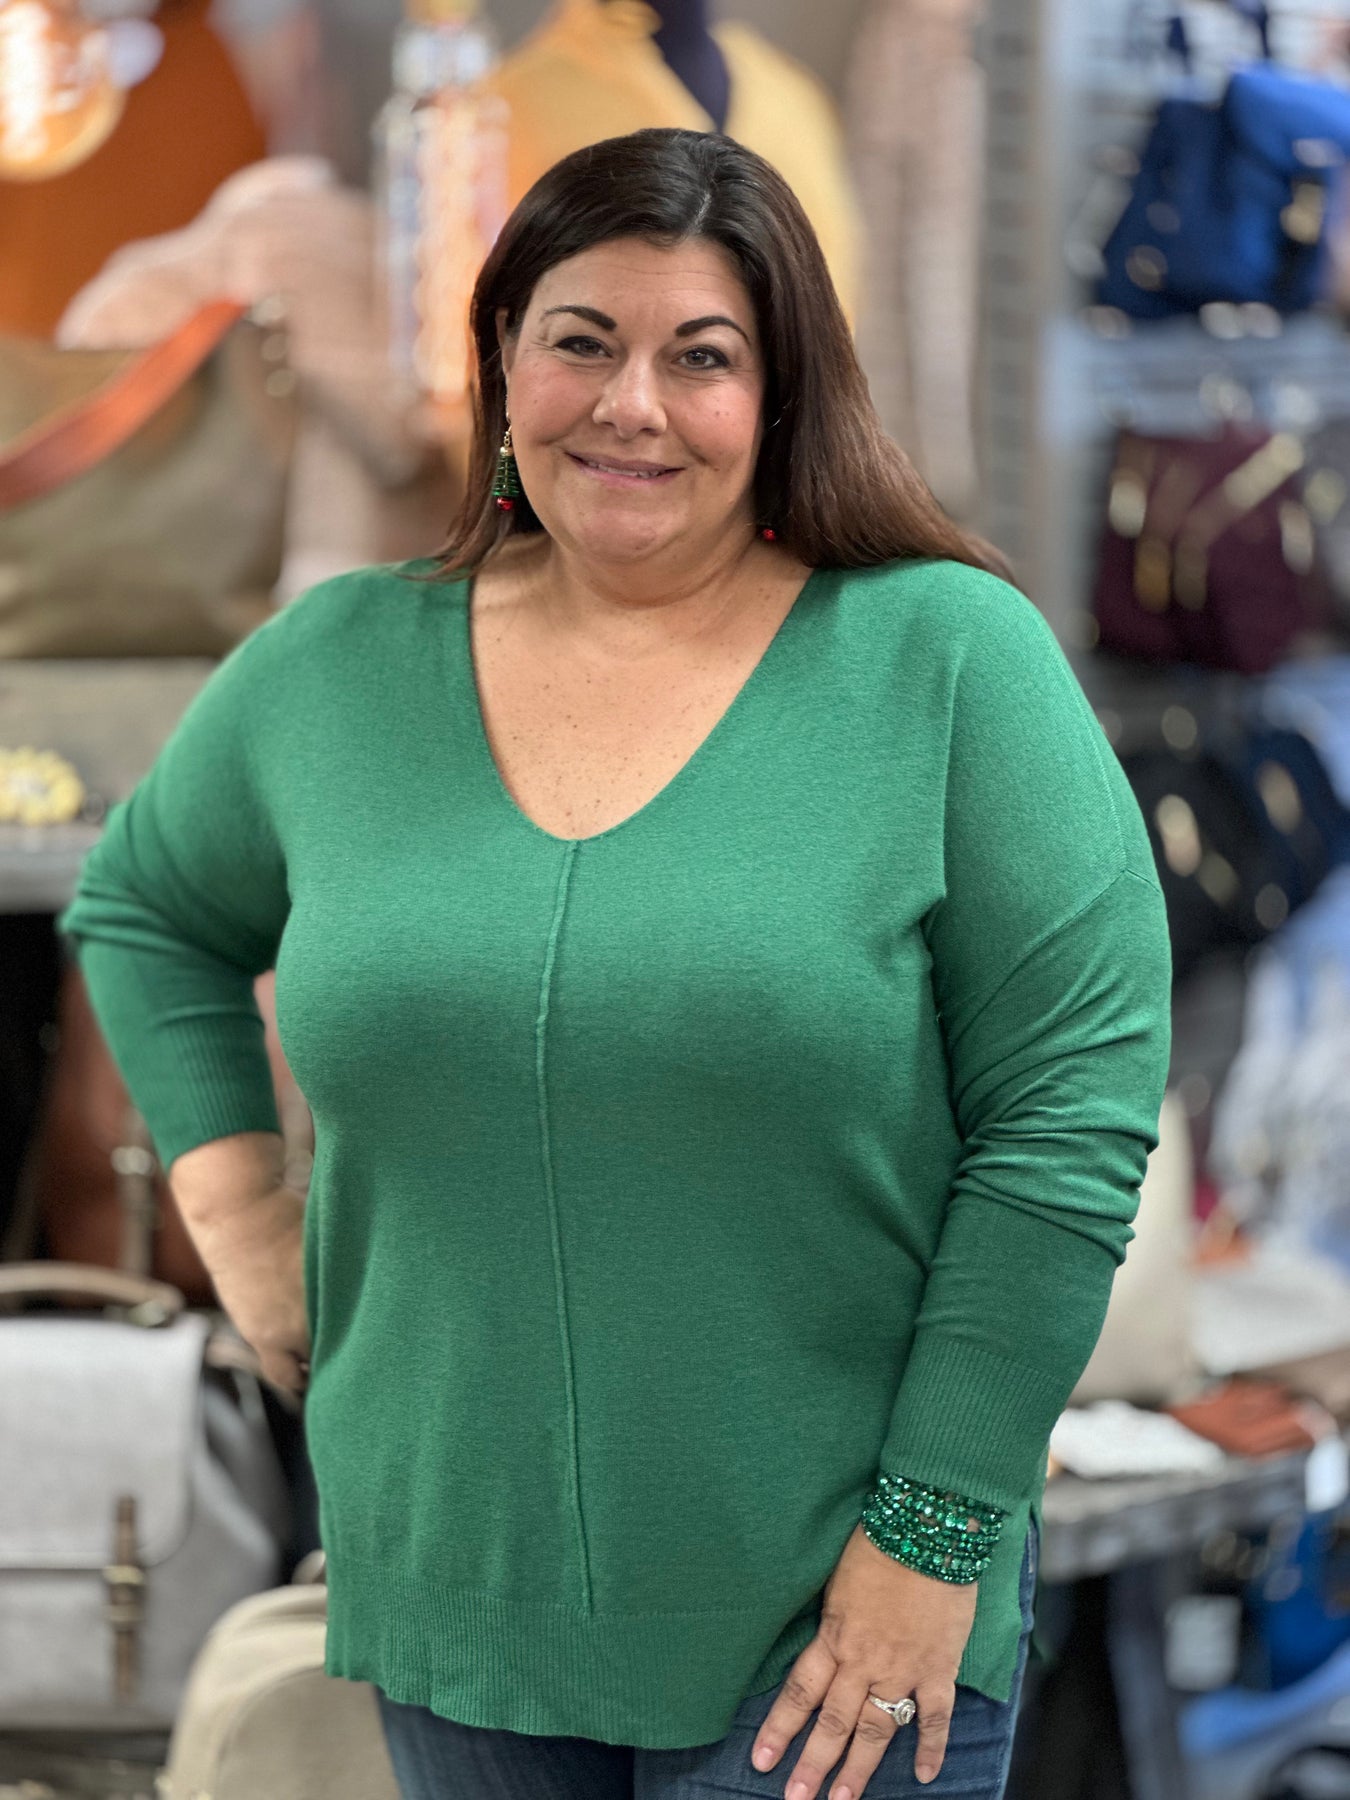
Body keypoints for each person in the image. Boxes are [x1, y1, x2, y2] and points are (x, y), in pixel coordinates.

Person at [56, 128, 1172, 1800]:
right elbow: (144, 906)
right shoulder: (337, 666)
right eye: (579, 341)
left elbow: (1065, 1120)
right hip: (453, 1590)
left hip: (833, 1611)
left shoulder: (942, 662)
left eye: (700, 357)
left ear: (779, 395)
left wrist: (934, 1536)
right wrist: (242, 1224)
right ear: (501, 361)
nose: (630, 405)